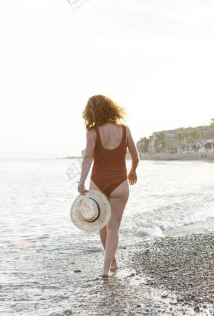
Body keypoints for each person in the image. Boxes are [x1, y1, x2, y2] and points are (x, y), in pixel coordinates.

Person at [76, 94, 139, 278]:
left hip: (98, 183)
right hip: (120, 183)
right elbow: (135, 156)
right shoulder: (125, 130)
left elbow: (88, 158)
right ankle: (109, 265)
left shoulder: (92, 132)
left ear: (91, 112)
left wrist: (81, 181)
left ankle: (109, 264)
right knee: (113, 227)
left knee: (103, 226)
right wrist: (133, 171)